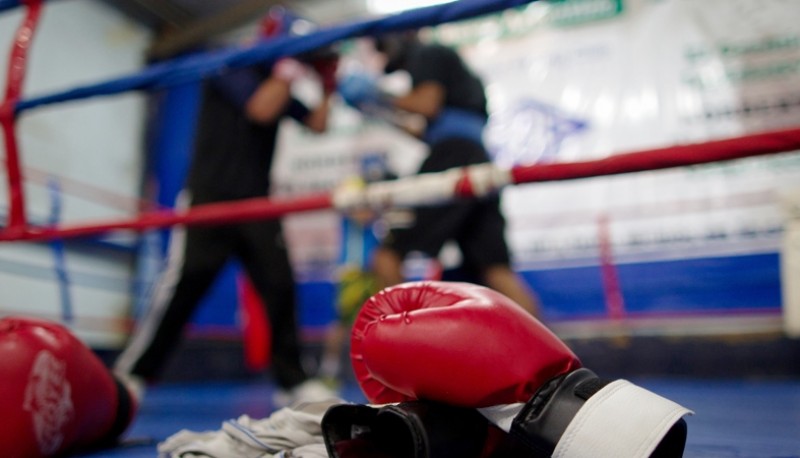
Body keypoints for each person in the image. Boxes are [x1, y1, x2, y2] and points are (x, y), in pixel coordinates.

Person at [114, 12, 339, 406]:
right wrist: (290, 64)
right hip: (211, 200)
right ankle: (132, 376)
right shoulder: (228, 65)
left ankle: (294, 382)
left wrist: (326, 83)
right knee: (184, 288)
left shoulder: (278, 84)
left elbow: (319, 124)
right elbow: (260, 110)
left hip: (256, 204)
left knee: (280, 286)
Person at [338, 31, 540, 317]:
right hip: (476, 160)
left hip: (453, 158)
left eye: (383, 46)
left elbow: (426, 105)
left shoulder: (428, 53)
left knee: (387, 255)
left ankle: (405, 354)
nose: (382, 55)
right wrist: (377, 109)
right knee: (495, 271)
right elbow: (428, 128)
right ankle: (557, 358)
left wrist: (376, 93)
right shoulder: (452, 70)